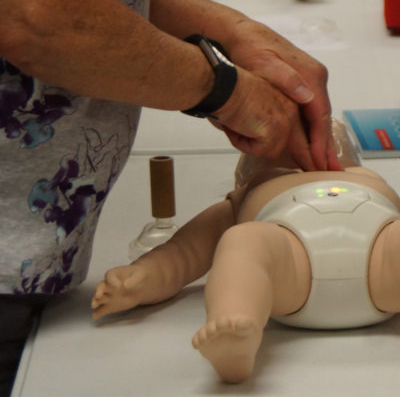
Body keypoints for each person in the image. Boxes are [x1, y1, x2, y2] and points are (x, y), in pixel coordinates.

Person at [0, 0, 339, 397]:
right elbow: (38, 13)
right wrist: (227, 89)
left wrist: (231, 32)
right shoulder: (243, 213)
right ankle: (237, 323)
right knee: (245, 249)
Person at [92, 121, 400, 383]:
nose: (301, 150)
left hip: (384, 258)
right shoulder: (242, 200)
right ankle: (236, 324)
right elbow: (183, 253)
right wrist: (141, 278)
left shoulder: (366, 178)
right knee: (243, 241)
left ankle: (236, 326)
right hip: (291, 262)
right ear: (246, 173)